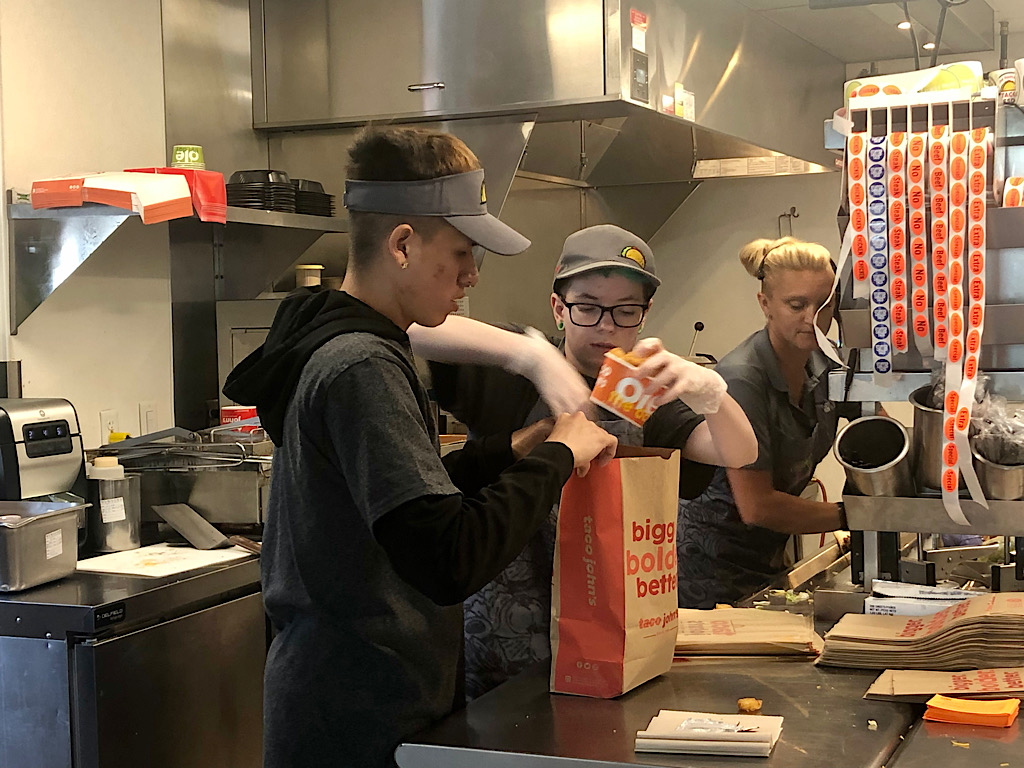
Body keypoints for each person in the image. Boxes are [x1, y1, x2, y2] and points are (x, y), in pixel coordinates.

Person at [222, 127, 618, 768]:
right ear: (402, 245)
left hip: (363, 696)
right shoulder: (361, 365)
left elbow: (406, 505)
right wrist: (560, 457)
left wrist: (515, 449)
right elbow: (448, 555)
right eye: (461, 253)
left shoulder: (353, 342)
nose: (471, 275)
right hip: (354, 715)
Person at [413, 224, 757, 699]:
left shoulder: (637, 389)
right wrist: (531, 356)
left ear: (645, 314)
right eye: (588, 307)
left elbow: (739, 453)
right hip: (502, 650)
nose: (606, 326)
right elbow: (413, 328)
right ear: (559, 308)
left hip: (607, 640)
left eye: (625, 310)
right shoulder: (511, 372)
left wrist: (709, 391)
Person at [676, 236, 858, 609]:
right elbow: (757, 506)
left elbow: (875, 435)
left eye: (824, 304)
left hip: (767, 561)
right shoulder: (743, 377)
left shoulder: (826, 365)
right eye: (797, 305)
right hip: (708, 573)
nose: (812, 318)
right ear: (765, 304)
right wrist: (858, 515)